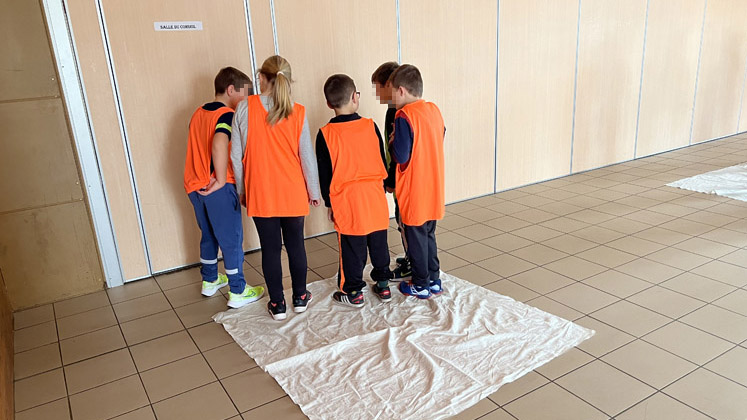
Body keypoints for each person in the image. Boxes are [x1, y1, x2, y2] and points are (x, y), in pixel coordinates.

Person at [231, 56, 321, 320]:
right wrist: (314, 191)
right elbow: (306, 156)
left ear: (261, 77)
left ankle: (278, 304)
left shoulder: (244, 108)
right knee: (296, 246)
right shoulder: (298, 111)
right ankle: (301, 297)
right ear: (288, 80)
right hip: (293, 192)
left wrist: (242, 189)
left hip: (261, 192)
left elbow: (236, 156)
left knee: (270, 249)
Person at [184, 66, 264, 309]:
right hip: (218, 187)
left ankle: (209, 280)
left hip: (195, 185)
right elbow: (219, 143)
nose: (248, 99)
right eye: (246, 93)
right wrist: (220, 179)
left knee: (208, 234)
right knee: (231, 239)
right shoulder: (227, 115)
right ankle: (238, 290)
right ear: (231, 90)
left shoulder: (198, 113)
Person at [316, 74, 393, 307]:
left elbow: (325, 174)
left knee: (351, 247)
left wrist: (329, 203)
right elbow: (382, 158)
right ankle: (383, 285)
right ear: (354, 97)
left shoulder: (325, 134)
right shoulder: (370, 125)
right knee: (379, 242)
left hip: (346, 200)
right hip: (374, 195)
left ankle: (353, 291)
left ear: (328, 103)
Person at [389, 64, 446, 299]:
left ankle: (420, 283)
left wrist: (392, 141)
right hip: (434, 185)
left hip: (415, 189)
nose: (391, 100)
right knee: (429, 234)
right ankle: (434, 279)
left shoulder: (404, 116)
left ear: (401, 91)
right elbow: (440, 135)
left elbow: (401, 155)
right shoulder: (433, 110)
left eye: (392, 93)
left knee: (416, 238)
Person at [371, 61, 412, 282]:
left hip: (402, 180)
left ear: (390, 85)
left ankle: (412, 263)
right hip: (401, 179)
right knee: (404, 221)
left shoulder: (398, 114)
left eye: (378, 88)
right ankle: (411, 256)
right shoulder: (396, 111)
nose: (377, 94)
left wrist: (391, 179)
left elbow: (397, 153)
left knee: (405, 222)